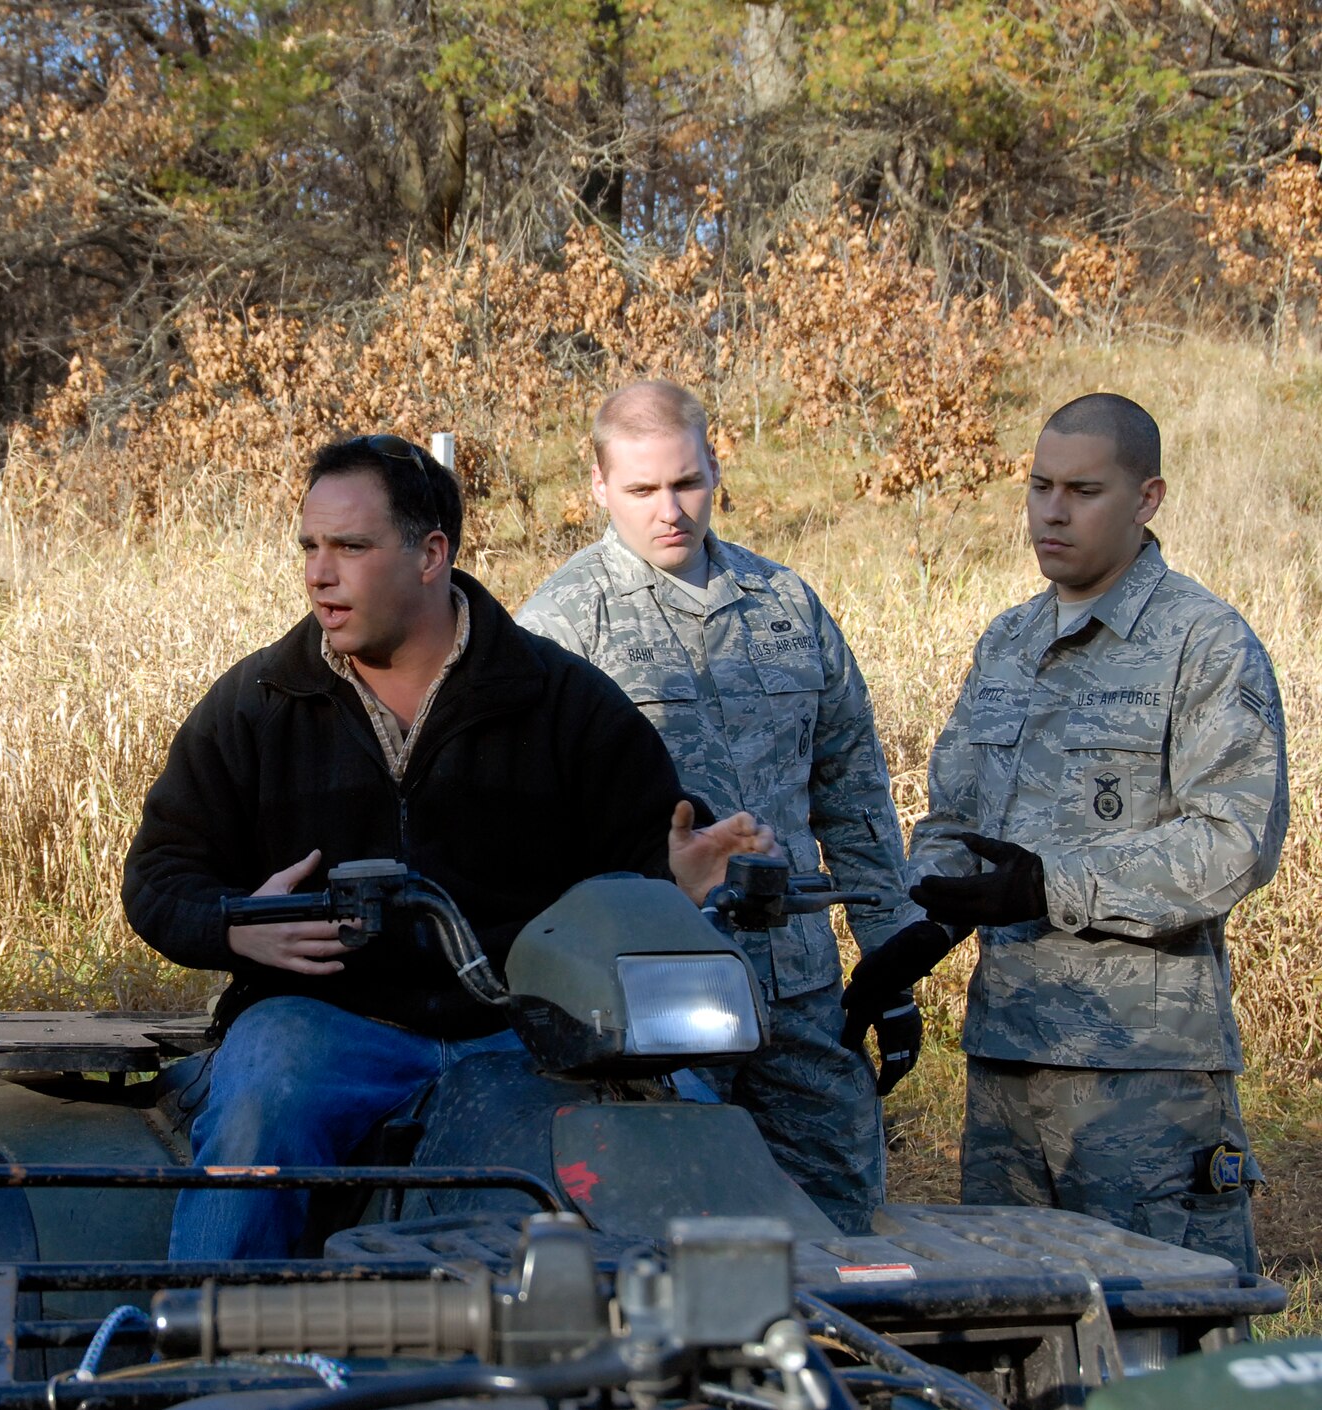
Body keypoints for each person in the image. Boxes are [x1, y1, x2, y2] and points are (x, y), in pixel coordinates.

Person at [121, 433, 775, 1260]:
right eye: (311, 547)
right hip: (321, 1026)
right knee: (260, 1101)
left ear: (432, 553)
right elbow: (157, 876)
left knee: (669, 1140)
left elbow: (649, 852)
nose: (320, 574)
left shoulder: (560, 701)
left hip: (519, 1029)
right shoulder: (256, 704)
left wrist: (672, 879)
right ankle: (203, 1355)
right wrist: (231, 925)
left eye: (351, 547)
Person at [845, 393, 1286, 1271]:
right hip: (1007, 1059)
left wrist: (1051, 885)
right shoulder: (1007, 644)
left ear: (1147, 498)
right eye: (1040, 486)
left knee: (1157, 1337)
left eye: (1083, 490)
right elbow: (953, 821)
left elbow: (1234, 841)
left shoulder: (1203, 645)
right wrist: (924, 927)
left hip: (1142, 1077)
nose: (1053, 510)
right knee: (1016, 1329)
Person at [517, 379, 933, 1235]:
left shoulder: (785, 605)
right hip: (650, 997)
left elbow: (850, 789)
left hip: (800, 991)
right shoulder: (559, 630)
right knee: (670, 1237)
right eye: (640, 490)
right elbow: (528, 829)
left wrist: (890, 964)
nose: (669, 510)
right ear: (597, 485)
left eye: (686, 483)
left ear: (716, 469)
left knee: (846, 1228)